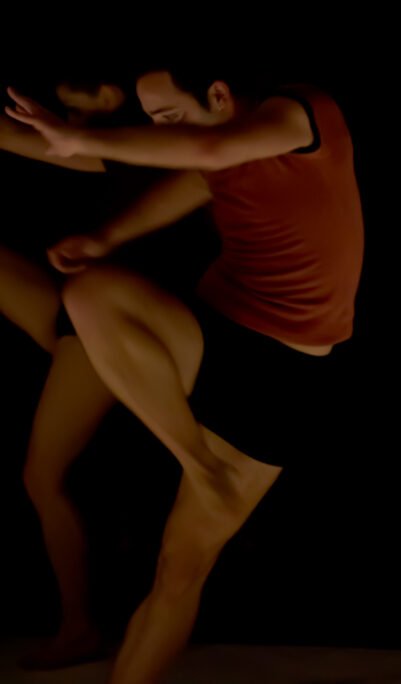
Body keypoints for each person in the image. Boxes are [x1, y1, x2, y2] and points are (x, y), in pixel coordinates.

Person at [7, 63, 364, 684]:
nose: (160, 132)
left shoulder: (303, 113)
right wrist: (106, 237)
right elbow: (194, 178)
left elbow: (208, 151)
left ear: (220, 95)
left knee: (180, 570)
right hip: (213, 332)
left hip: (283, 378)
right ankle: (199, 463)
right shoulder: (215, 153)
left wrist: (80, 137)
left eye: (167, 117)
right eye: (153, 122)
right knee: (90, 293)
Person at [1, 72, 211, 670]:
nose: (69, 118)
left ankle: (78, 627)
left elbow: (49, 144)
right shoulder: (131, 151)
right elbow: (33, 142)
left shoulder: (184, 159)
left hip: (111, 327)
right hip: (81, 309)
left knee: (42, 476)